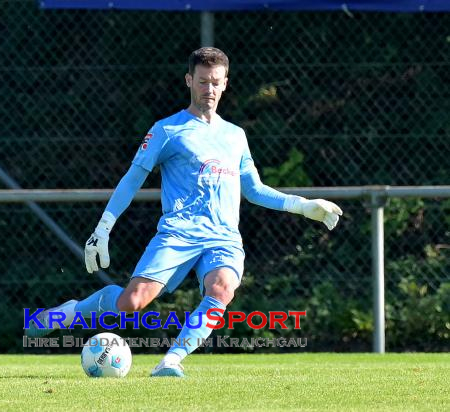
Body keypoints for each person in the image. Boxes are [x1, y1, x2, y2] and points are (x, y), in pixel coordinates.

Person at [27, 47, 342, 377]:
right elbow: (132, 179)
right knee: (131, 305)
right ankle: (68, 312)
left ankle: (172, 360)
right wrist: (104, 227)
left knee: (221, 289)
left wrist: (304, 206)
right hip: (179, 234)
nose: (209, 89)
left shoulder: (236, 136)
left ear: (225, 84)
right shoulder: (167, 130)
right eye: (203, 81)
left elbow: (254, 191)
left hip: (223, 238)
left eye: (216, 82)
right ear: (189, 80)